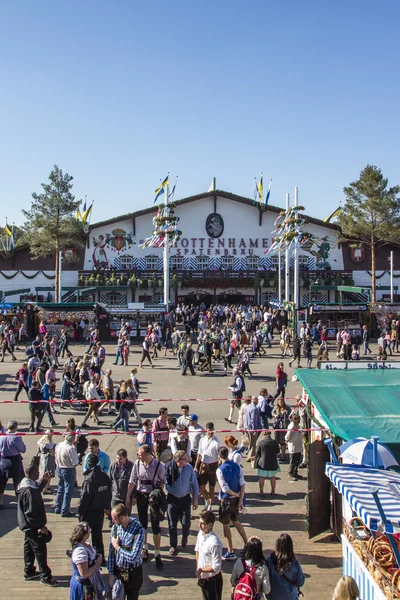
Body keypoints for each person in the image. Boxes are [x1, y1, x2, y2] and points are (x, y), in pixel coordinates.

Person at [17, 463, 59, 586]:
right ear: (32, 473)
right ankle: (46, 576)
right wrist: (41, 526)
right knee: (39, 549)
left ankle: (29, 570)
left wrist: (43, 481)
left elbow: (36, 492)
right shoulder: (29, 490)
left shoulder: (25, 485)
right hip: (32, 525)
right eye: (37, 472)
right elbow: (31, 511)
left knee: (28, 547)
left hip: (25, 523)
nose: (39, 473)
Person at [125, 444, 166, 569]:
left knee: (155, 525)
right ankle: (144, 548)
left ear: (148, 454)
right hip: (141, 495)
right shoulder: (137, 464)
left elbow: (163, 481)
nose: (138, 456)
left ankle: (157, 553)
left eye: (141, 454)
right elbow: (132, 481)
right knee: (142, 524)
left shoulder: (159, 466)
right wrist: (128, 496)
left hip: (153, 496)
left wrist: (158, 492)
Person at [78, 454, 112, 562]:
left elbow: (85, 497)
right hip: (100, 510)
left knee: (83, 536)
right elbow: (108, 493)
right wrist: (107, 507)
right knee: (97, 534)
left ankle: (85, 558)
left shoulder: (89, 479)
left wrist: (80, 511)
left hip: (89, 511)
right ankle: (99, 557)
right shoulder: (104, 477)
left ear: (89, 464)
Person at [107, 503, 145, 600]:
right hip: (118, 571)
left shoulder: (138, 530)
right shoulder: (115, 528)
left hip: (133, 573)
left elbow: (133, 557)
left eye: (114, 518)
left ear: (122, 518)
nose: (112, 521)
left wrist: (118, 547)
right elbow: (111, 553)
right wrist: (111, 573)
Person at [166, 450, 199, 555]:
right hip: (172, 499)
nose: (187, 461)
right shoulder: (169, 468)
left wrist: (195, 500)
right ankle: (173, 545)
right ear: (178, 460)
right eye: (184, 459)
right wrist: (171, 488)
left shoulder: (189, 468)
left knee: (186, 523)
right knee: (172, 524)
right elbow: (165, 482)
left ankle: (185, 536)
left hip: (185, 499)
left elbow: (194, 484)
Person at [216, 446, 247, 561]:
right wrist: (240, 499)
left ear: (219, 456)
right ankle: (247, 543)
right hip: (236, 501)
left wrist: (236, 495)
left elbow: (225, 489)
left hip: (226, 500)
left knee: (226, 525)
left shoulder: (220, 470)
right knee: (236, 521)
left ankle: (230, 550)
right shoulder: (237, 466)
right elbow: (242, 483)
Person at [69, 521, 104, 600]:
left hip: (92, 580)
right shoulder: (80, 551)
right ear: (86, 533)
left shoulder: (85, 544)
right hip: (83, 585)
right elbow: (84, 574)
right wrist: (97, 564)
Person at [266, 534, 304, 600]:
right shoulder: (294, 563)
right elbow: (300, 582)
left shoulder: (270, 561)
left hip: (273, 597)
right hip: (290, 597)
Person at [195, 510, 223, 600]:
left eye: (202, 524)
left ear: (210, 525)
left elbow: (217, 567)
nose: (199, 526)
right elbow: (197, 551)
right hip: (203, 578)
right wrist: (198, 569)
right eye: (199, 523)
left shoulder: (215, 543)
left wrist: (201, 570)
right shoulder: (200, 534)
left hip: (213, 580)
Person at [0, 420, 26, 509]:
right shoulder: (16, 438)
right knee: (18, 483)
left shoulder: (1, 436)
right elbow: (23, 449)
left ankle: (0, 502)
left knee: (2, 483)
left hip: (3, 460)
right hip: (15, 461)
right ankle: (20, 502)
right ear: (15, 428)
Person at [195, 422, 221, 510]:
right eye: (209, 430)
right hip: (203, 465)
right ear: (206, 430)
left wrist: (219, 469)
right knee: (201, 487)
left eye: (212, 430)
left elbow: (219, 457)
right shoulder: (202, 439)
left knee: (212, 487)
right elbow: (199, 453)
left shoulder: (217, 442)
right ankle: (207, 500)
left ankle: (210, 505)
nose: (210, 432)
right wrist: (196, 466)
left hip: (213, 465)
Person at [55, 433, 79, 517]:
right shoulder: (70, 448)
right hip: (68, 469)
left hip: (59, 468)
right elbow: (75, 462)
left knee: (60, 488)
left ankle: (58, 507)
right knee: (68, 490)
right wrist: (77, 456)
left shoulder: (59, 445)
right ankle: (65, 510)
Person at [255, 430, 281, 496]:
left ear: (263, 434)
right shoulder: (274, 442)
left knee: (262, 478)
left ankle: (261, 491)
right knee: (272, 477)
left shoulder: (261, 442)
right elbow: (278, 451)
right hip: (272, 462)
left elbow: (257, 453)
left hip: (262, 463)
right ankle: (273, 491)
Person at [285, 414, 303, 482]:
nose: (299, 420)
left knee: (297, 460)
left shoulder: (297, 425)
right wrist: (287, 440)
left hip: (298, 445)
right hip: (293, 446)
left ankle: (295, 472)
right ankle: (290, 473)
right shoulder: (292, 426)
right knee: (293, 461)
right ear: (294, 420)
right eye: (298, 419)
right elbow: (288, 436)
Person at [245, 396, 262, 463]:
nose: (258, 401)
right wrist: (255, 430)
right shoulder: (254, 409)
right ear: (254, 400)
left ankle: (249, 456)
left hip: (247, 427)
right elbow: (253, 420)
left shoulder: (248, 406)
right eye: (257, 400)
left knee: (251, 443)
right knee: (253, 444)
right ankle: (251, 457)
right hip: (253, 429)